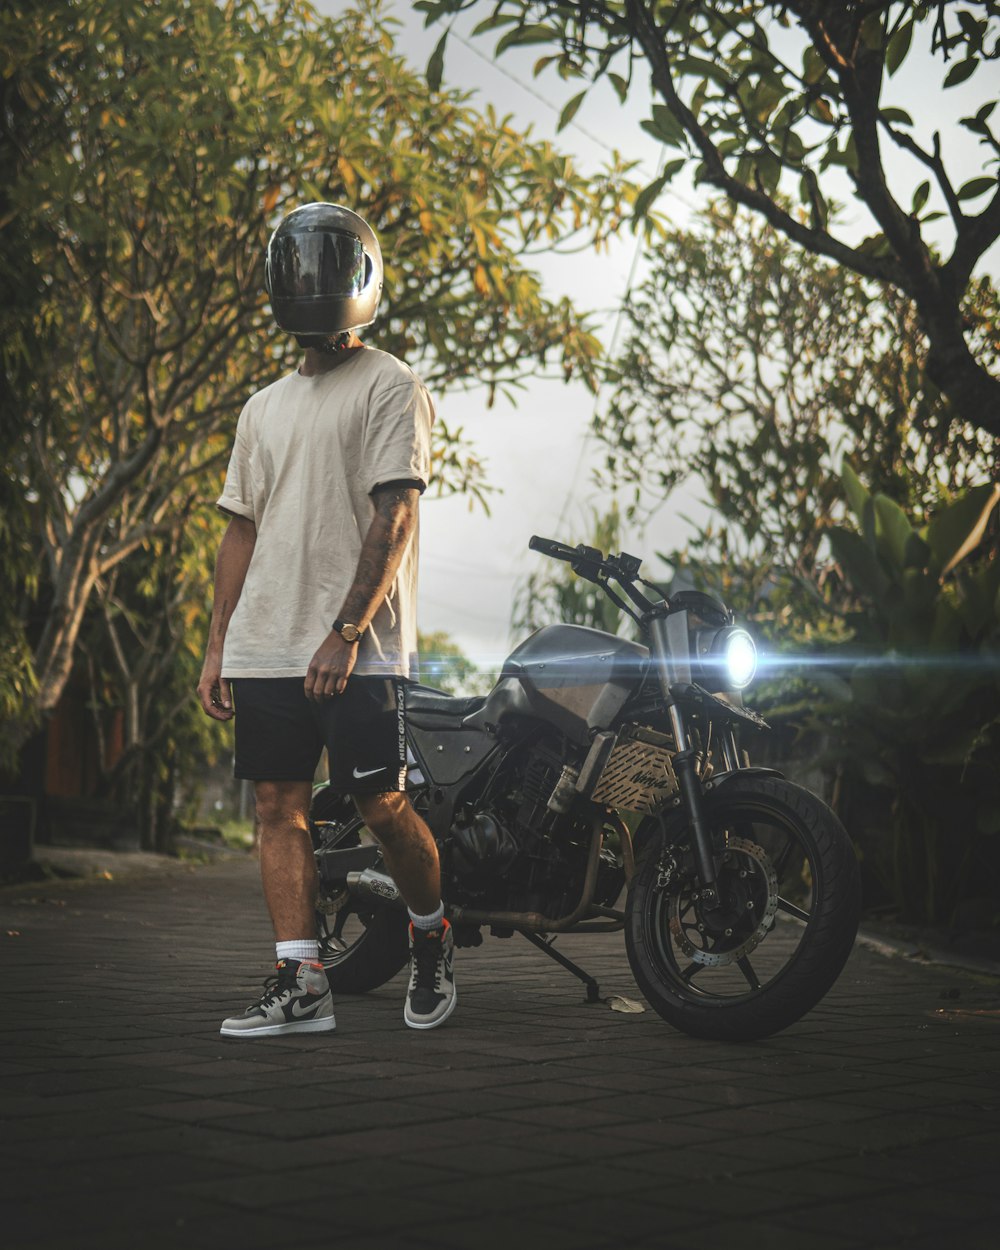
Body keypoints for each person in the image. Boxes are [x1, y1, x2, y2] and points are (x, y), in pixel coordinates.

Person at [197, 202, 455, 1037]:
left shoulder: (392, 384)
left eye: (326, 269)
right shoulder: (261, 407)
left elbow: (396, 516)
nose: (311, 284)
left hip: (359, 650)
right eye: (298, 270)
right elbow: (242, 528)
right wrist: (218, 644)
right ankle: (301, 979)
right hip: (268, 642)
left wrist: (346, 633)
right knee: (279, 807)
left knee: (381, 806)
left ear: (360, 279)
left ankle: (431, 932)